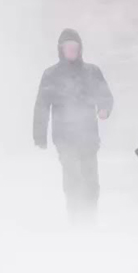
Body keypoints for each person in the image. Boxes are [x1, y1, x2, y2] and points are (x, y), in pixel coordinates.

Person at [33, 29, 114, 222]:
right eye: (68, 47)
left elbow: (106, 95)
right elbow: (41, 106)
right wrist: (39, 136)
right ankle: (76, 218)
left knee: (91, 181)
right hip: (64, 137)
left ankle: (90, 217)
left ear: (80, 49)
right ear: (61, 50)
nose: (71, 51)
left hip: (88, 137)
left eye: (75, 47)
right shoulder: (51, 75)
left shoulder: (92, 72)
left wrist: (104, 109)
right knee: (73, 178)